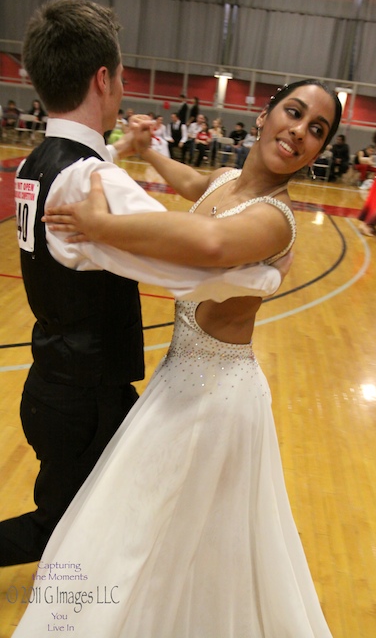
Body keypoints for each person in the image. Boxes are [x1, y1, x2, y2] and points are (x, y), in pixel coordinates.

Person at [14, 78, 341, 637]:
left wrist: (104, 227)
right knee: (165, 535)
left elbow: (208, 243)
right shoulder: (228, 180)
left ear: (319, 151)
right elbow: (193, 183)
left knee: (147, 533)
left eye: (317, 131)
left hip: (216, 398)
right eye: (293, 113)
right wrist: (148, 153)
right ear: (263, 116)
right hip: (179, 385)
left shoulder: (274, 218)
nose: (299, 133)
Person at [1, 0, 284, 568]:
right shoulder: (91, 180)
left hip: (54, 379)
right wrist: (268, 270)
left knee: (85, 520)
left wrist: (125, 149)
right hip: (87, 395)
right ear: (102, 78)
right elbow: (189, 267)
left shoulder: (37, 163)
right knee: (75, 530)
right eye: (124, 77)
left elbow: (84, 181)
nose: (125, 88)